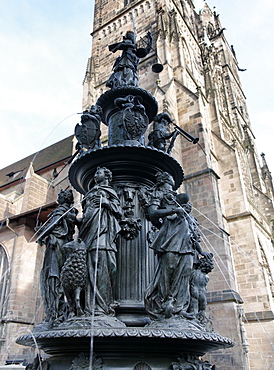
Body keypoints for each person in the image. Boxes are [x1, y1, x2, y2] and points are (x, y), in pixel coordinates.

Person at [144, 172, 211, 320]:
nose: (172, 180)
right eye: (169, 177)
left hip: (186, 240)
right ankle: (164, 305)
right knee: (169, 272)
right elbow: (152, 212)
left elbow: (192, 227)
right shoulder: (158, 194)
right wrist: (174, 210)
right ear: (164, 180)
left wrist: (200, 250)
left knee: (185, 273)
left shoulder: (178, 198)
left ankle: (179, 309)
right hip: (171, 237)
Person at [78, 167, 122, 316]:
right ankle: (93, 307)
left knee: (107, 264)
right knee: (93, 264)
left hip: (104, 230)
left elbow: (119, 210)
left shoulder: (110, 192)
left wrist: (106, 202)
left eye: (99, 172)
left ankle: (104, 305)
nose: (95, 174)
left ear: (107, 176)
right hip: (90, 231)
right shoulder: (89, 193)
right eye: (95, 172)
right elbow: (86, 215)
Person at [37, 190, 78, 324]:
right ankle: (60, 310)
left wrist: (42, 235)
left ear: (63, 199)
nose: (57, 198)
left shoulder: (61, 211)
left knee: (52, 275)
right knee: (58, 275)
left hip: (56, 245)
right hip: (63, 244)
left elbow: (54, 224)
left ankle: (56, 312)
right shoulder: (71, 212)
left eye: (60, 196)